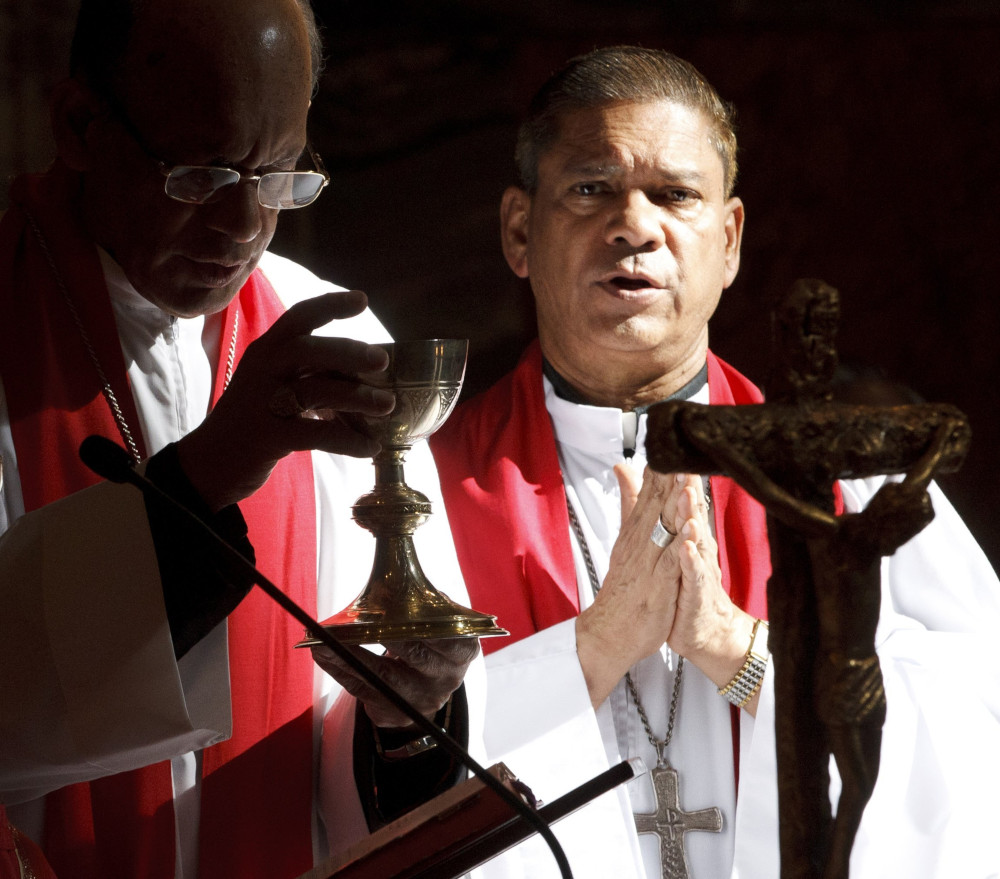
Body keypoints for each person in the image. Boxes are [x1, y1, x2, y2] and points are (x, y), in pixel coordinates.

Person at [429, 46, 1000, 878]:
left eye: (675, 195)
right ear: (521, 230)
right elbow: (364, 768)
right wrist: (591, 649)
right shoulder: (423, 493)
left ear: (728, 241)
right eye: (592, 189)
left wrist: (739, 650)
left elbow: (980, 733)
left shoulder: (847, 476)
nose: (635, 224)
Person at [0, 1, 481, 877]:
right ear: (79, 124)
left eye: (280, 176)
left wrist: (407, 721)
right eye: (201, 175)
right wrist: (216, 467)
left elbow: (350, 752)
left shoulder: (339, 344)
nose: (244, 227)